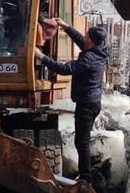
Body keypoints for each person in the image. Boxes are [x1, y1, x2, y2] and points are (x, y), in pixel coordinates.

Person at [34, 20, 108, 179]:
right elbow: (82, 40)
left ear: (91, 40)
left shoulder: (89, 58)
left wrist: (41, 56)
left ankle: (86, 178)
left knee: (82, 142)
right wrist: (65, 26)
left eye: (87, 35)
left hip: (87, 105)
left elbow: (64, 69)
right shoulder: (98, 51)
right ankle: (86, 175)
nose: (84, 36)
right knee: (82, 140)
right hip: (91, 102)